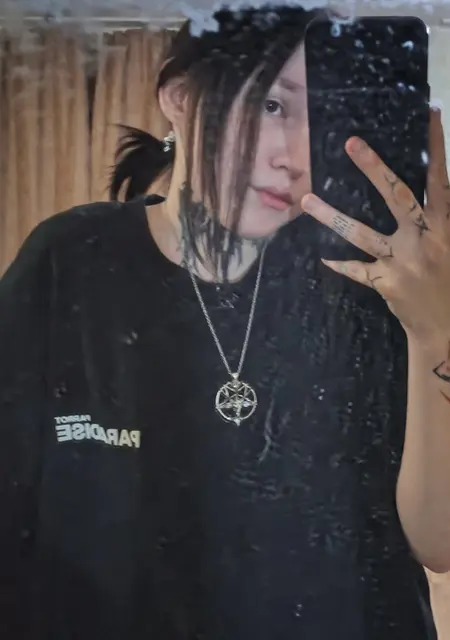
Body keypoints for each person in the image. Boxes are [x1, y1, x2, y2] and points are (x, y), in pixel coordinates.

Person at [1, 4, 450, 639]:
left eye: (321, 118)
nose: (296, 157)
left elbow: (438, 541)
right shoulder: (72, 261)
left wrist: (437, 332)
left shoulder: (368, 277)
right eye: (272, 105)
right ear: (180, 98)